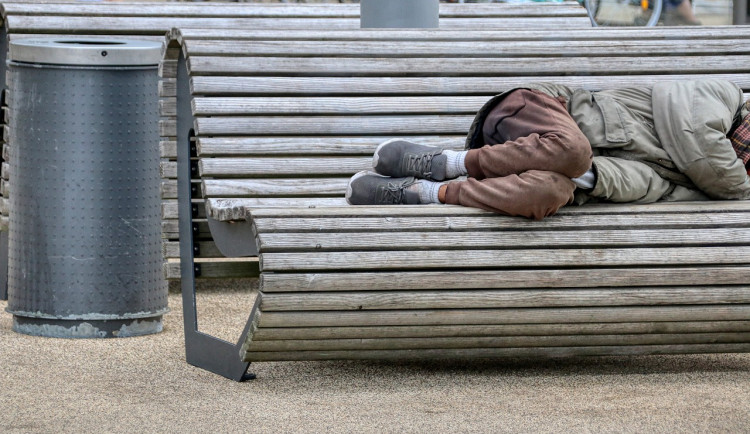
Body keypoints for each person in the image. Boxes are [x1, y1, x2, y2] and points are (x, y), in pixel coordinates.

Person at [346, 79, 750, 220]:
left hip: (549, 164)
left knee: (551, 193)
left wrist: (586, 181)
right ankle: (446, 162)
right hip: (534, 112)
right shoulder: (720, 97)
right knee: (574, 151)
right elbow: (700, 145)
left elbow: (638, 184)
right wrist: (734, 187)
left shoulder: (699, 180)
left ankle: (425, 192)